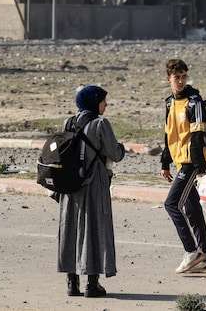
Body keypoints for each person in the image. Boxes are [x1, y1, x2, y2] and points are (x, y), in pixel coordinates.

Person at [57, 84, 126, 298]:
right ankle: (92, 284)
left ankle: (72, 283)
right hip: (94, 183)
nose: (106, 104)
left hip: (69, 186)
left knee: (70, 230)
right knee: (94, 230)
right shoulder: (100, 123)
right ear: (94, 102)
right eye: (103, 100)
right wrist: (122, 148)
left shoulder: (68, 122)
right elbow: (114, 154)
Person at [159, 58, 206, 275]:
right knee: (191, 208)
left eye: (183, 77)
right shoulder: (169, 102)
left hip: (193, 161)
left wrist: (200, 169)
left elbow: (198, 135)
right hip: (181, 159)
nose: (180, 81)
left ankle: (192, 251)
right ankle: (205, 259)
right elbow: (168, 134)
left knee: (171, 204)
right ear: (169, 79)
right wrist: (165, 162)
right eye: (176, 78)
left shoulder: (195, 102)